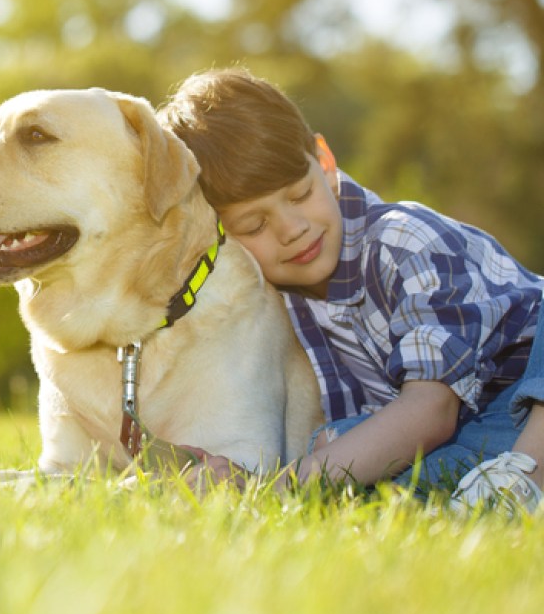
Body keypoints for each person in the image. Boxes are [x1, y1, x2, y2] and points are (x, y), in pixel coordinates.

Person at [157, 67, 544, 512]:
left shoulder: (405, 242)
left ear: (324, 160)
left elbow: (430, 411)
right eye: (255, 224)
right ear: (218, 234)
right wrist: (245, 478)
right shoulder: (274, 304)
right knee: (359, 465)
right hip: (470, 440)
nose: (293, 229)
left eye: (300, 195)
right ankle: (485, 492)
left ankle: (528, 472)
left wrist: (283, 488)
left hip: (513, 399)